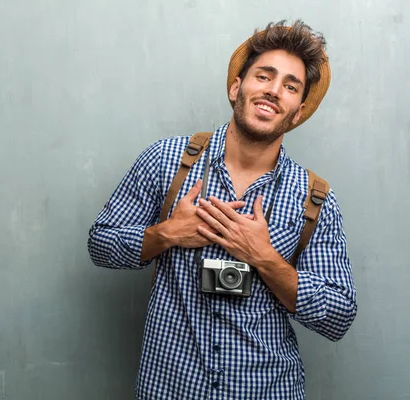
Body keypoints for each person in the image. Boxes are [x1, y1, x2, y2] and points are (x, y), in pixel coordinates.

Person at [87, 20, 357, 399]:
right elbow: (100, 244)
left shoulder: (314, 199)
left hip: (266, 390)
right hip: (171, 388)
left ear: (298, 112)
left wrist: (264, 258)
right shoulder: (166, 161)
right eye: (264, 76)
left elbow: (338, 315)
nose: (274, 91)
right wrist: (165, 234)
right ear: (237, 87)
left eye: (290, 86)